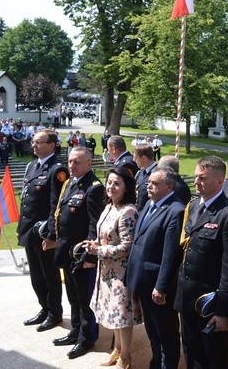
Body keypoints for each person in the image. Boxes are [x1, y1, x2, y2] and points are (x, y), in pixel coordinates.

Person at [175, 156, 228, 369]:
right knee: (191, 354)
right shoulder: (195, 206)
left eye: (203, 178)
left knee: (213, 359)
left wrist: (224, 312)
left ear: (219, 181)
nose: (197, 182)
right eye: (196, 177)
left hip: (210, 305)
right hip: (188, 299)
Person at [46, 146, 105, 359]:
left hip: (81, 257)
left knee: (84, 299)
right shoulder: (70, 183)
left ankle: (87, 338)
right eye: (70, 161)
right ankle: (76, 331)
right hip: (66, 252)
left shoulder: (94, 187)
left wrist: (89, 256)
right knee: (73, 297)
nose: (72, 165)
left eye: (77, 162)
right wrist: (53, 240)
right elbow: (60, 215)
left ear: (89, 163)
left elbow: (94, 224)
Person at [126, 167, 185, 369]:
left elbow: (170, 254)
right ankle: (156, 362)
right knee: (152, 330)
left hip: (157, 286)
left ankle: (168, 364)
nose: (148, 186)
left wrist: (161, 286)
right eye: (149, 182)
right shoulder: (150, 204)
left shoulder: (176, 210)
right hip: (142, 280)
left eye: (155, 183)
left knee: (166, 332)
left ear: (169, 186)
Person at [85, 167, 142, 368]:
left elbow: (127, 247)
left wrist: (98, 251)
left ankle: (126, 357)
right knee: (112, 313)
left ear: (126, 187)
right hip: (106, 271)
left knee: (122, 317)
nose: (111, 187)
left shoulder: (128, 211)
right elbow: (104, 235)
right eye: (109, 182)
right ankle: (117, 350)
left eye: (117, 183)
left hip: (121, 274)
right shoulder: (109, 206)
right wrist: (93, 244)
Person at [17, 130, 68, 332]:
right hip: (29, 230)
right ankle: (44, 308)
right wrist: (21, 228)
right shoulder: (31, 166)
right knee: (36, 275)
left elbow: (57, 206)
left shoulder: (57, 170)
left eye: (39, 142)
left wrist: (51, 235)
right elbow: (25, 200)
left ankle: (55, 312)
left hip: (43, 232)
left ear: (52, 145)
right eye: (33, 141)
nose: (34, 145)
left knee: (50, 275)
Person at [133, 144, 157, 212]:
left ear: (144, 158)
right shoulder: (140, 173)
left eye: (135, 157)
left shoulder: (157, 174)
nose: (133, 160)